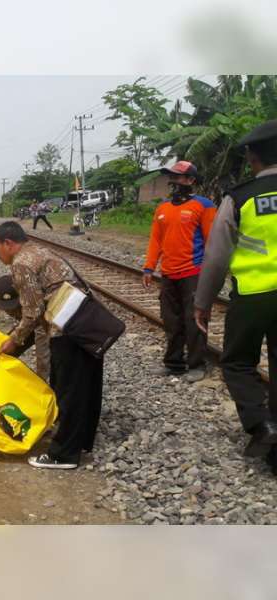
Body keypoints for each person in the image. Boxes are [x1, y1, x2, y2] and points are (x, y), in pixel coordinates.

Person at [195, 120, 277, 468]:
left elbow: (216, 257)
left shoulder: (240, 197)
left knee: (237, 361)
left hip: (254, 295)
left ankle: (262, 424)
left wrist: (202, 302)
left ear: (253, 158)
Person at [0, 221, 100, 470]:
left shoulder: (21, 262)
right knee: (86, 385)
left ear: (9, 244)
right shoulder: (39, 251)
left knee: (67, 388)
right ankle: (82, 441)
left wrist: (13, 339)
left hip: (65, 326)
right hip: (85, 319)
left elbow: (32, 311)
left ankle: (63, 455)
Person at [143, 161, 216, 383]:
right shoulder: (162, 208)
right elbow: (156, 240)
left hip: (193, 272)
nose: (173, 181)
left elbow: (212, 241)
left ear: (191, 181)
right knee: (171, 320)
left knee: (194, 319)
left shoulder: (204, 206)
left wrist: (209, 273)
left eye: (178, 177)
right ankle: (173, 363)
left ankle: (197, 365)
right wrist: (149, 267)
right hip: (168, 274)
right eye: (171, 177)